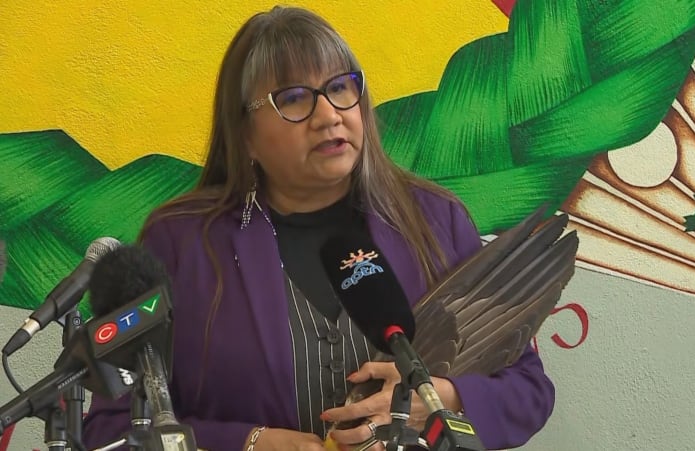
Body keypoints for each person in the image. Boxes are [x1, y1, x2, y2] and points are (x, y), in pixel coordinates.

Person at [82, 5, 555, 451]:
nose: (329, 115)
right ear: (244, 135)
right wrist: (246, 443)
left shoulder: (435, 220)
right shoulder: (180, 242)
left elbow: (528, 390)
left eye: (341, 88)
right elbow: (112, 427)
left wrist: (440, 400)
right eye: (293, 99)